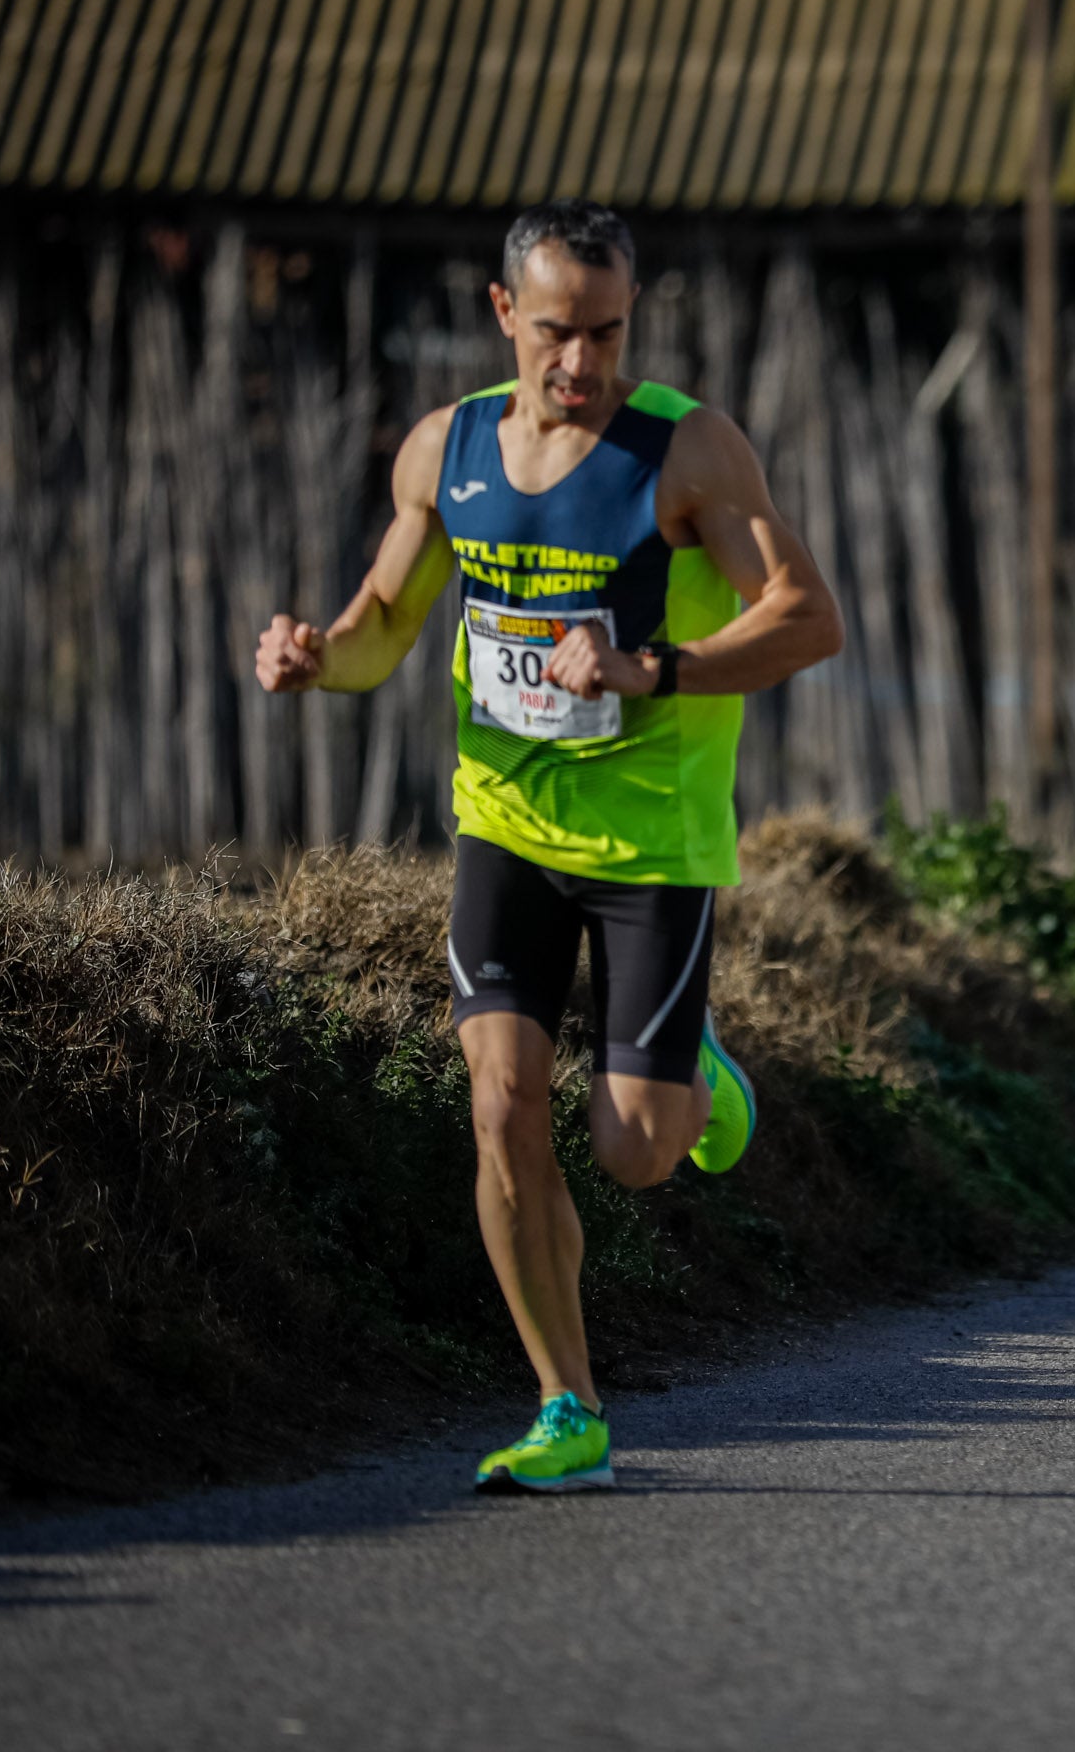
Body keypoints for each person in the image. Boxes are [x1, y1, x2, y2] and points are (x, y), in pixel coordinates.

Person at [255, 200, 842, 1491]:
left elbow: (809, 618)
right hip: (504, 827)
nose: (582, 361)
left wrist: (652, 668)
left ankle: (695, 1081)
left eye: (608, 333)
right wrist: (314, 658)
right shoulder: (448, 448)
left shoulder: (684, 452)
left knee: (635, 1151)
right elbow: (381, 622)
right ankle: (567, 1408)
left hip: (652, 846)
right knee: (501, 1104)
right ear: (501, 312)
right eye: (557, 331)